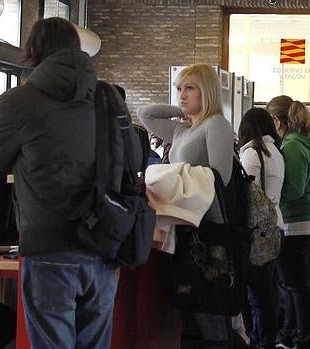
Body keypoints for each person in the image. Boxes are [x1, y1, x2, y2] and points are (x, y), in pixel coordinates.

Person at [0, 17, 118, 349]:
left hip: (49, 242)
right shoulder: (107, 97)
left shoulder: (19, 101)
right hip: (105, 242)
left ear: (33, 51)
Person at [138, 63, 234, 349]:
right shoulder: (183, 129)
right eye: (179, 88)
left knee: (208, 306)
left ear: (207, 91)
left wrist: (175, 177)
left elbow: (220, 179)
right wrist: (181, 110)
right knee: (188, 306)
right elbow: (146, 114)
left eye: (190, 88)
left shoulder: (216, 124)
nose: (182, 94)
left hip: (209, 226)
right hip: (184, 223)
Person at [270, 99, 310, 349]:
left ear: (278, 121)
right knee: (299, 283)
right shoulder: (307, 141)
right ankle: (293, 333)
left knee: (296, 285)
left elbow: (294, 189)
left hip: (297, 221)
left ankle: (303, 338)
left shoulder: (291, 146)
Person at [237, 107, 285, 349]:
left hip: (257, 229)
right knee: (267, 290)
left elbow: (247, 193)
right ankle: (267, 339)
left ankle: (258, 339)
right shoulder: (275, 151)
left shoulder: (252, 154)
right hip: (275, 224)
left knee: (256, 293)